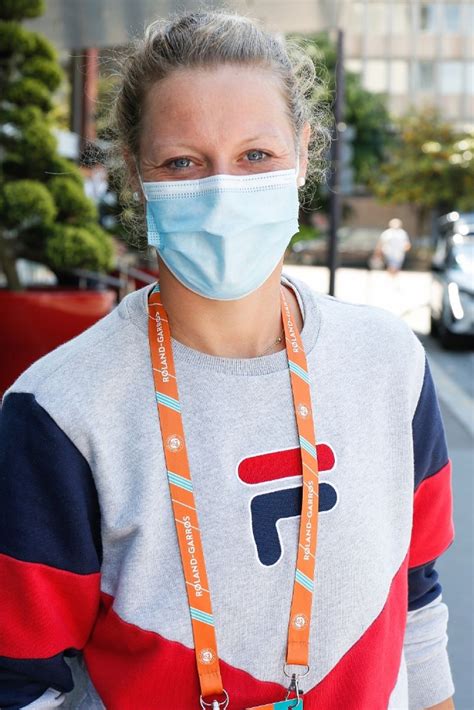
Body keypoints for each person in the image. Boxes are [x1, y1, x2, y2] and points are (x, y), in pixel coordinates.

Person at [0, 10, 455, 710]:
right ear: (135, 172)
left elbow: (417, 595)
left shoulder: (391, 363)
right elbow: (19, 677)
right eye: (182, 162)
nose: (221, 192)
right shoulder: (59, 411)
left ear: (303, 154)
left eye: (256, 157)